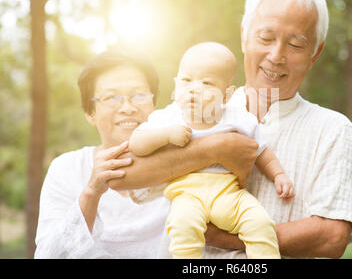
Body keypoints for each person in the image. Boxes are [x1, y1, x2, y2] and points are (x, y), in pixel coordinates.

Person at [110, 0, 352, 259]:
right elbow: (122, 176)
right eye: (266, 37)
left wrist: (230, 237)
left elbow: (331, 237)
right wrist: (215, 148)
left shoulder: (333, 129)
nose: (277, 55)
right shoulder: (191, 109)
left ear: (315, 53)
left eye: (296, 45)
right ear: (244, 36)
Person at [34, 50, 259, 258]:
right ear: (89, 113)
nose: (128, 108)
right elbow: (49, 254)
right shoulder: (67, 168)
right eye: (112, 97)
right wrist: (91, 192)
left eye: (139, 95)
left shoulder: (191, 157)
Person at [128, 42, 294, 259]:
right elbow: (137, 144)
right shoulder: (168, 116)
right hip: (185, 194)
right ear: (176, 84)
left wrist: (278, 175)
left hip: (228, 194)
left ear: (226, 95)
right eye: (186, 80)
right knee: (182, 226)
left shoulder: (236, 117)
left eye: (206, 83)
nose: (193, 89)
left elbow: (261, 150)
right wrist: (166, 135)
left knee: (259, 223)